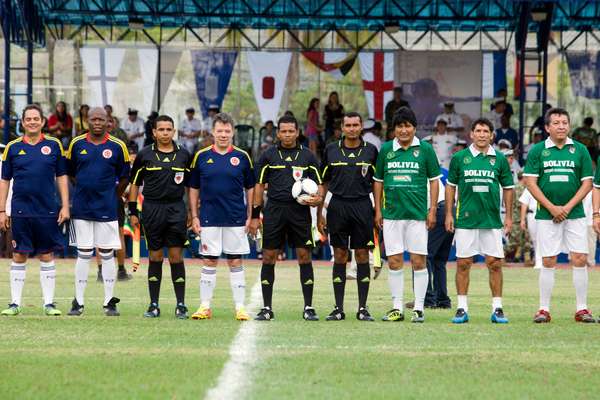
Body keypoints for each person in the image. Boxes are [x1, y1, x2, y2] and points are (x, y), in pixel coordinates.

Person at [249, 114, 324, 321]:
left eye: (291, 131)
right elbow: (259, 186)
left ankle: (308, 307)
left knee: (304, 257)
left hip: (300, 213)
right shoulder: (268, 155)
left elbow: (319, 187)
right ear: (278, 133)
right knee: (269, 257)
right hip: (274, 211)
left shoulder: (308, 156)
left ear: (297, 133)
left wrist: (318, 200)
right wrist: (255, 216)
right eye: (284, 131)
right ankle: (266, 308)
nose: (288, 135)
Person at [524, 107, 594, 323]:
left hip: (575, 214)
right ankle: (544, 309)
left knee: (580, 258)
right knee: (548, 259)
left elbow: (587, 183)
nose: (561, 126)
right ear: (547, 127)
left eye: (565, 122)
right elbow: (530, 182)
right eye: (556, 123)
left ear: (569, 125)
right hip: (547, 215)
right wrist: (552, 207)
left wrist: (567, 207)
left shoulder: (580, 150)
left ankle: (582, 309)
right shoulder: (537, 151)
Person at [373, 107, 441, 323]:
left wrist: (432, 210)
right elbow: (378, 182)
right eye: (400, 126)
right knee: (393, 261)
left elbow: (434, 181)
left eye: (408, 126)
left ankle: (419, 308)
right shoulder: (385, 150)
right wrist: (377, 210)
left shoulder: (426, 150)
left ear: (414, 128)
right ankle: (396, 308)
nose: (404, 130)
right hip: (392, 214)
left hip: (417, 215)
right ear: (394, 129)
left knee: (418, 260)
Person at [0, 104, 69, 316]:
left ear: (42, 122)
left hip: (47, 210)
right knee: (19, 255)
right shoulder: (12, 147)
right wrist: (2, 211)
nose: (32, 122)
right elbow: (4, 180)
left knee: (47, 255)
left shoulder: (54, 145)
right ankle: (14, 304)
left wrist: (65, 206)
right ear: (22, 123)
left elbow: (61, 176)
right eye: (28, 119)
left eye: (35, 119)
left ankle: (49, 304)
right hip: (20, 211)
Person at [445, 118, 514, 324]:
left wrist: (509, 217)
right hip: (465, 220)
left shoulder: (500, 159)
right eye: (478, 131)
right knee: (463, 263)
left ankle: (498, 308)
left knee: (494, 264)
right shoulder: (460, 158)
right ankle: (461, 308)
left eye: (486, 131)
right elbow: (450, 187)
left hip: (491, 220)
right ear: (471, 134)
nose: (482, 134)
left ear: (492, 135)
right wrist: (449, 214)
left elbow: (509, 189)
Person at [188, 113, 255, 321]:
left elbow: (251, 188)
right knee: (209, 260)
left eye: (227, 131)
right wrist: (195, 216)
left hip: (235, 217)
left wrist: (250, 215)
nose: (223, 135)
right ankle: (205, 306)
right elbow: (193, 188)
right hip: (209, 217)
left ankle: (240, 308)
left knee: (235, 261)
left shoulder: (243, 157)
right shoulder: (201, 156)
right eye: (220, 131)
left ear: (233, 132)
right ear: (212, 132)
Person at [66, 107, 130, 317]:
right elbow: (71, 172)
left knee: (106, 253)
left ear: (108, 121)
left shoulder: (118, 146)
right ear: (87, 120)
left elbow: (125, 177)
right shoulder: (76, 143)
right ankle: (78, 302)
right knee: (83, 254)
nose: (97, 122)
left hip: (107, 208)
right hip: (82, 208)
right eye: (93, 119)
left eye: (101, 119)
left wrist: (112, 194)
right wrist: (85, 188)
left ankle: (109, 302)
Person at [317, 112, 378, 321]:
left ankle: (362, 308)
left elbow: (378, 183)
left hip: (362, 206)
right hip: (338, 207)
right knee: (340, 255)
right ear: (342, 128)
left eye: (355, 125)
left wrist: (378, 211)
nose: (352, 128)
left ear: (362, 127)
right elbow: (323, 182)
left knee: (362, 255)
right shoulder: (331, 149)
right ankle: (338, 308)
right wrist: (320, 212)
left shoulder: (371, 151)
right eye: (348, 125)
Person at [129, 115, 191, 319]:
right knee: (155, 257)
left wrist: (191, 211)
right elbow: (135, 184)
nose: (165, 133)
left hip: (176, 209)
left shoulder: (184, 155)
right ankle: (153, 304)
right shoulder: (145, 154)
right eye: (161, 129)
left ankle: (181, 304)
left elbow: (191, 187)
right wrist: (132, 211)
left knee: (175, 257)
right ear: (154, 132)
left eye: (168, 129)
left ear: (174, 131)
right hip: (152, 209)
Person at [519, 185, 542, 269]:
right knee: (534, 239)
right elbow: (524, 204)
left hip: (544, 214)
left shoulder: (545, 184)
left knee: (542, 238)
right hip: (532, 214)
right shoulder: (529, 187)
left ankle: (541, 262)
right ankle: (538, 260)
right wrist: (522, 220)